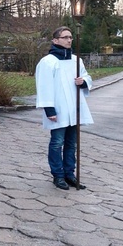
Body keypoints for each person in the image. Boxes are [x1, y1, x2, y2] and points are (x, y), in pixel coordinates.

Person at [35, 26, 93, 190]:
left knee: (72, 144)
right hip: (59, 109)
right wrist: (49, 110)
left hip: (74, 109)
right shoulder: (48, 62)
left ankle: (69, 174)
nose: (69, 40)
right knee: (57, 143)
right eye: (65, 37)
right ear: (55, 40)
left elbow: (86, 76)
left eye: (70, 37)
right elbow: (44, 86)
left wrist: (84, 82)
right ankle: (58, 175)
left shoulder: (76, 60)